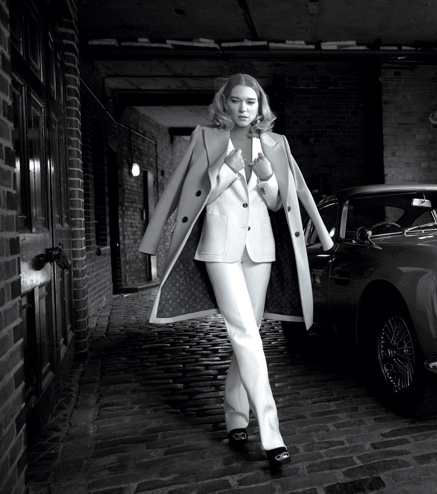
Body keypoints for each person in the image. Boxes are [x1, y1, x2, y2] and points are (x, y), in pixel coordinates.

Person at [138, 73, 333, 471]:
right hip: (219, 251)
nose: (243, 109)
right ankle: (271, 432)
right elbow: (194, 194)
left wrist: (264, 175)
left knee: (249, 334)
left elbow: (280, 203)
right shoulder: (205, 138)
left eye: (251, 102)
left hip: (260, 251)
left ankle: (234, 416)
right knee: (243, 331)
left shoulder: (277, 144)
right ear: (223, 104)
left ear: (260, 107)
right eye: (236, 101)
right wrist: (226, 170)